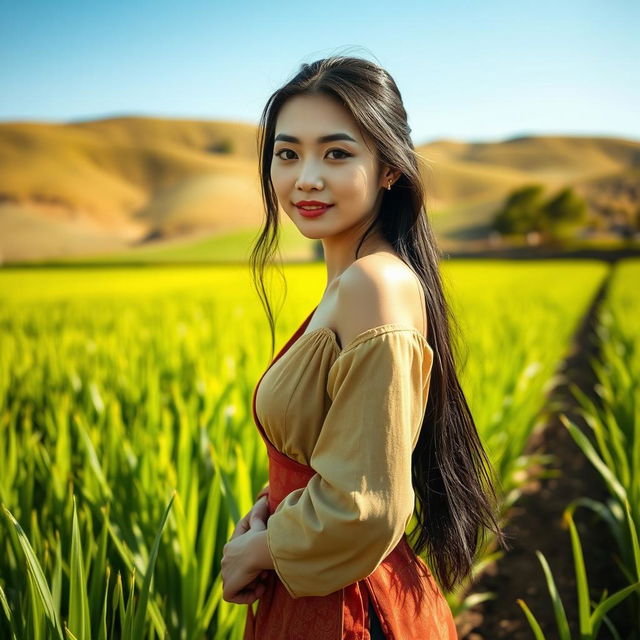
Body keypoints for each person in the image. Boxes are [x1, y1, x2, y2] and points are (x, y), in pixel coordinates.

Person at [221, 54, 509, 639]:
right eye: (287, 153)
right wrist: (267, 514)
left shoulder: (374, 285)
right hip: (319, 593)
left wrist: (260, 552)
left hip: (350, 612)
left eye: (337, 153)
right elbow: (333, 451)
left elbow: (368, 505)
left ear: (389, 169)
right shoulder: (351, 283)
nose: (305, 177)